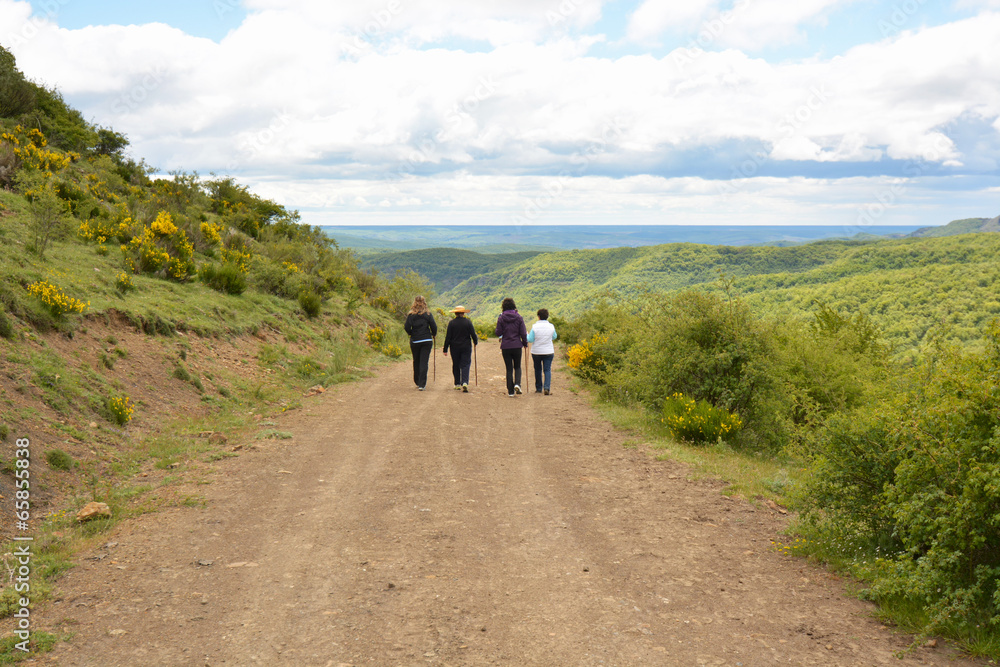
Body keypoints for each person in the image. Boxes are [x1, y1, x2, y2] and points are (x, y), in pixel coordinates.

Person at [495, 297, 527, 397]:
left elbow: (498, 332)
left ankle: (510, 391)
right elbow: (523, 333)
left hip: (505, 346)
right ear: (514, 306)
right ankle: (517, 384)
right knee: (517, 366)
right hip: (517, 345)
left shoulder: (501, 318)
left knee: (509, 368)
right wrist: (525, 343)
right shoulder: (519, 317)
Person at [403, 295, 437, 390]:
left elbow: (406, 327)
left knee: (416, 360)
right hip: (427, 340)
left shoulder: (411, 315)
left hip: (415, 340)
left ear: (414, 302)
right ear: (424, 302)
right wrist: (433, 334)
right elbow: (434, 326)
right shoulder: (428, 314)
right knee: (424, 362)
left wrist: (411, 333)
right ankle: (422, 384)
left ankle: (417, 381)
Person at [442, 305, 478, 392]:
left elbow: (448, 337)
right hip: (466, 346)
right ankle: (465, 382)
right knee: (465, 364)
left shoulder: (451, 323)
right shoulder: (468, 322)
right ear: (463, 313)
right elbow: (473, 334)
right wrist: (475, 342)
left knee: (456, 364)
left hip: (454, 347)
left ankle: (457, 383)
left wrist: (445, 349)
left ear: (455, 313)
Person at [528, 308, 558, 395]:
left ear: (538, 317)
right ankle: (547, 388)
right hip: (548, 351)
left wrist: (525, 335)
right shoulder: (551, 326)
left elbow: (530, 339)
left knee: (537, 369)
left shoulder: (534, 327)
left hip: (536, 351)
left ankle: (538, 388)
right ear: (547, 317)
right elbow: (554, 336)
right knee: (547, 370)